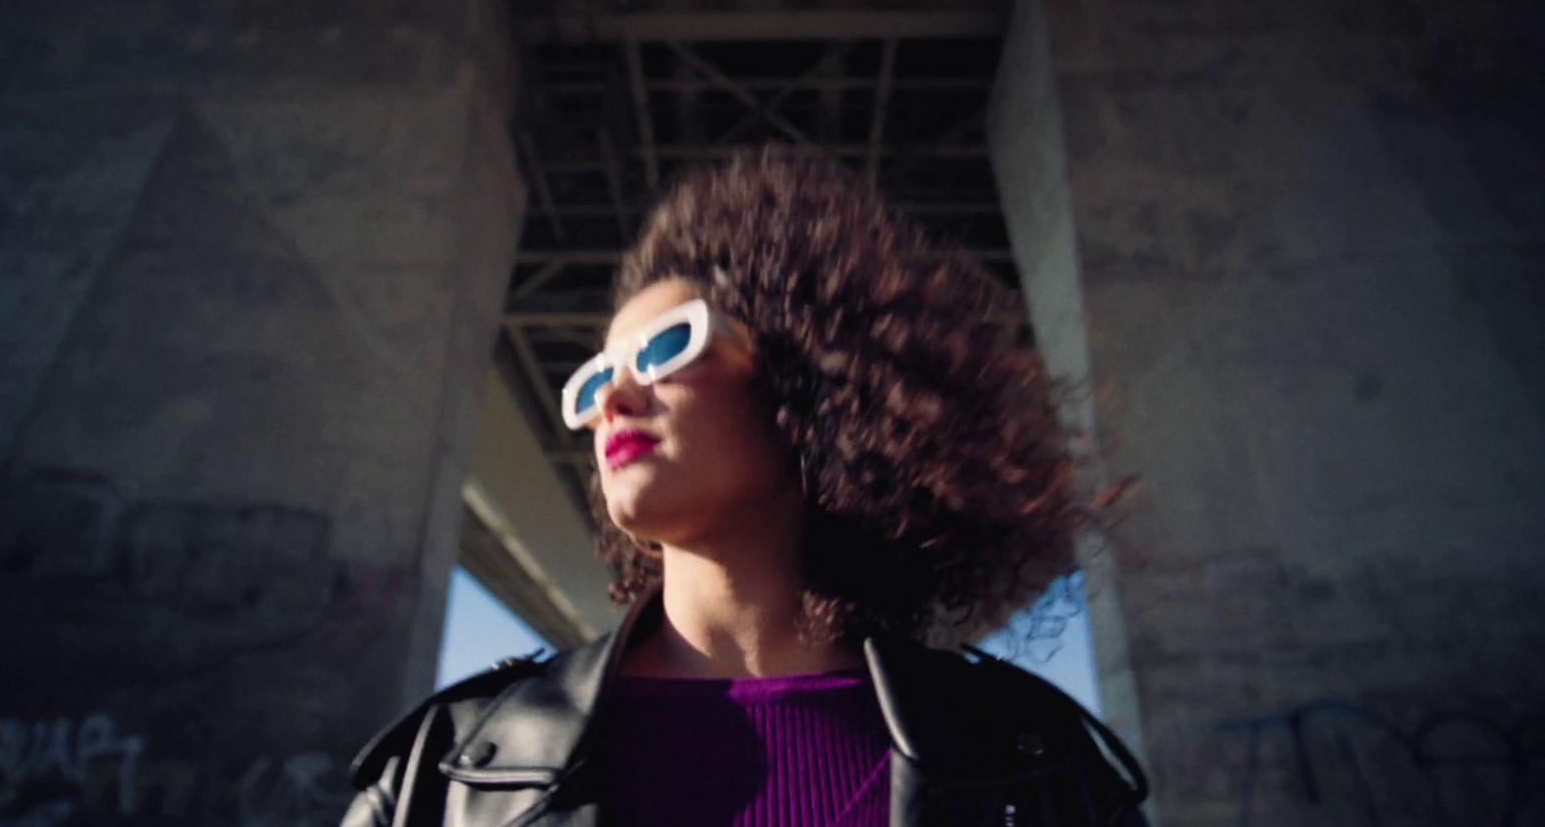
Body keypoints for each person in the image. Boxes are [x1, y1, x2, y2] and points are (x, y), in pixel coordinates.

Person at [341, 147, 1149, 827]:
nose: (613, 399)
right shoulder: (444, 773)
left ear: (814, 378)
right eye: (591, 384)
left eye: (664, 348)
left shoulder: (1032, 765)